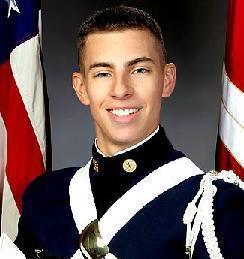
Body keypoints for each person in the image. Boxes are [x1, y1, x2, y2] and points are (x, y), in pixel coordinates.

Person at [14, 5, 244, 259]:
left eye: (139, 70)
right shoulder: (46, 198)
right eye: (103, 73)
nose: (121, 89)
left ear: (167, 80)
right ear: (81, 88)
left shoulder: (215, 209)